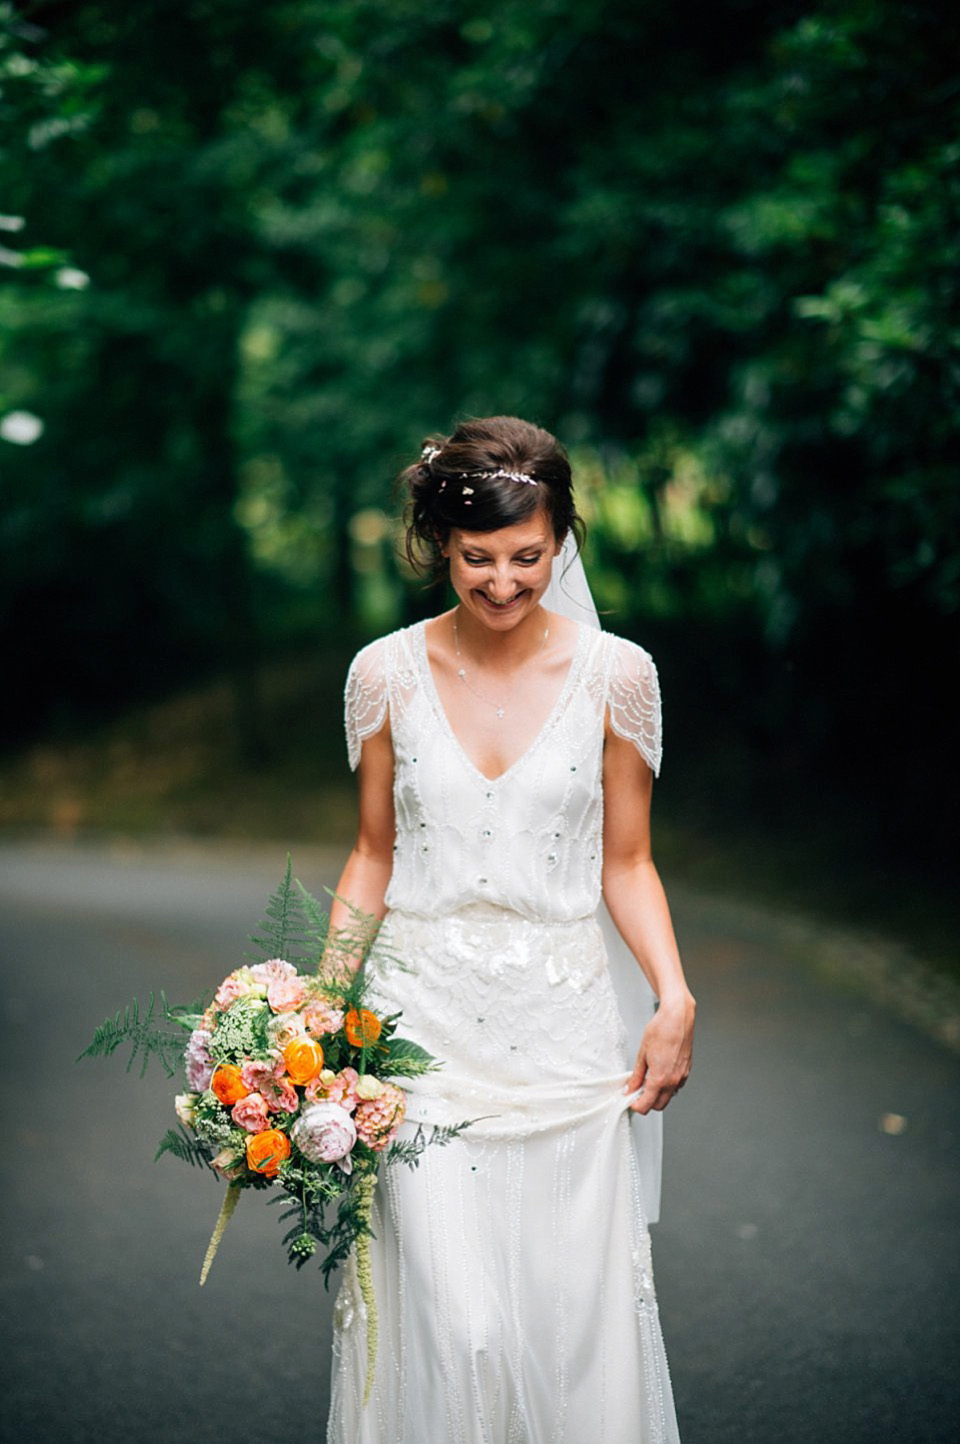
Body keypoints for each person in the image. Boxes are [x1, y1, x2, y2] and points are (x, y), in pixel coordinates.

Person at [326, 416, 695, 1444]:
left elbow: (627, 862)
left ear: (562, 537)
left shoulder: (619, 675)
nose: (500, 582)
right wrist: (320, 1006)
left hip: (567, 1044)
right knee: (463, 1325)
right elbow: (371, 855)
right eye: (476, 558)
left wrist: (673, 994)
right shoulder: (383, 675)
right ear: (439, 545)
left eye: (526, 557)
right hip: (419, 1037)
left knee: (569, 1325)